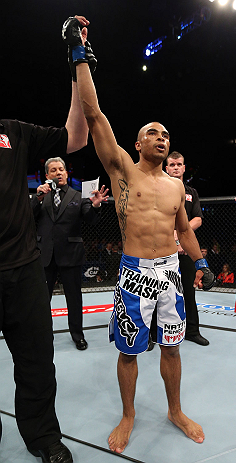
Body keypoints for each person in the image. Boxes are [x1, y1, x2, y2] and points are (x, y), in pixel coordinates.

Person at [62, 15, 214, 454]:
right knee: (128, 351)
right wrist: (79, 56)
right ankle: (128, 415)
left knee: (172, 348)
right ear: (137, 142)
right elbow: (92, 113)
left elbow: (183, 228)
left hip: (170, 272)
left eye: (166, 134)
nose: (161, 137)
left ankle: (174, 410)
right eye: (153, 132)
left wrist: (200, 262)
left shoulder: (176, 186)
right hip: (133, 275)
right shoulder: (123, 169)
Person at [0, 15, 91, 463]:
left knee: (37, 363)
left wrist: (77, 61)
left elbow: (76, 137)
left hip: (22, 268)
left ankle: (42, 437)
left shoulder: (12, 132)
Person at [30, 157, 108, 350]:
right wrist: (37, 197)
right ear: (47, 175)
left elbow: (91, 219)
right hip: (45, 254)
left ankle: (77, 335)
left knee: (73, 299)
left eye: (61, 169)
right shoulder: (41, 196)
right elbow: (28, 217)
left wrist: (96, 205)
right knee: (42, 300)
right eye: (54, 170)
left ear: (66, 173)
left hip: (70, 254)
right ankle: (42, 336)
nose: (58, 173)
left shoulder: (78, 196)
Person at [165, 151, 209, 346]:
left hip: (185, 248)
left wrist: (181, 235)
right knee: (159, 292)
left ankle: (192, 330)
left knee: (189, 292)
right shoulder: (158, 189)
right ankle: (151, 334)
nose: (175, 167)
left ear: (183, 168)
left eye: (179, 164)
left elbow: (198, 218)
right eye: (172, 164)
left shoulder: (192, 192)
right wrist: (173, 237)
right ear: (166, 168)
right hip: (163, 249)